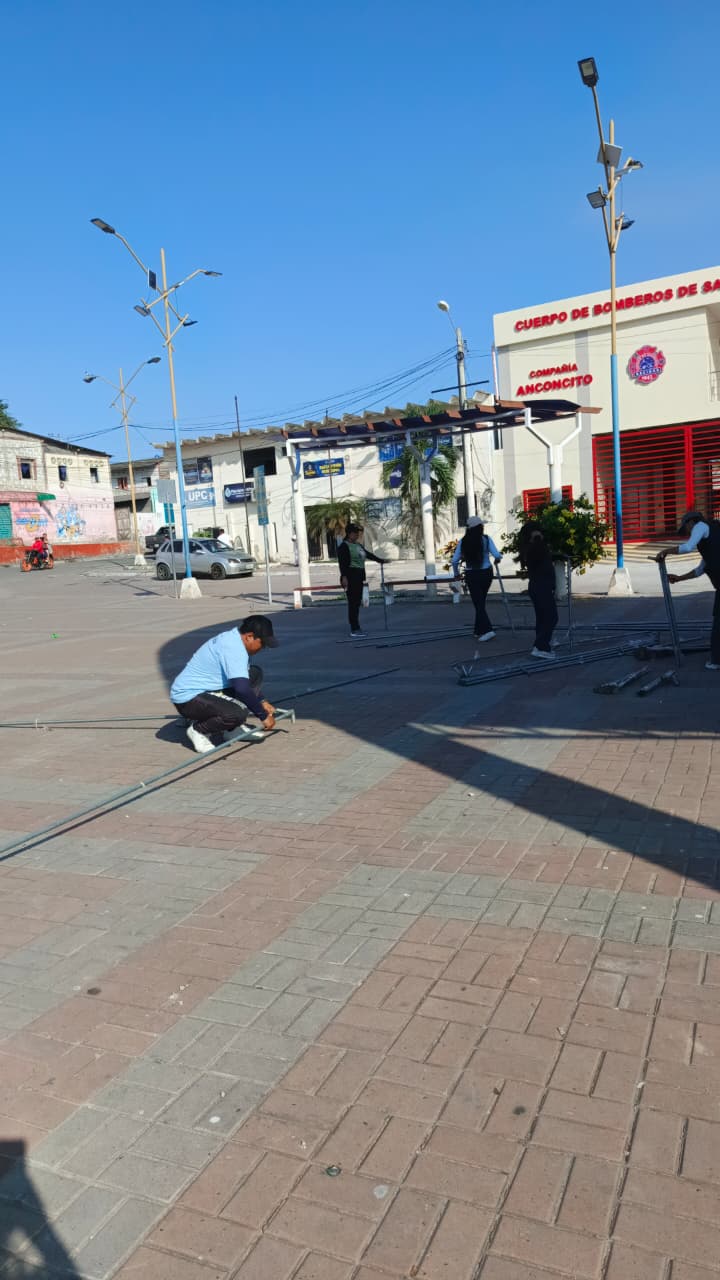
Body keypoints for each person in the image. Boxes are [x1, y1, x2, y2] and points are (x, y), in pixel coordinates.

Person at [170, 614, 279, 753]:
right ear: (249, 637)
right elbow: (242, 689)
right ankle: (198, 730)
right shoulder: (233, 648)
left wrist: (262, 701)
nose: (262, 648)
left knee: (254, 673)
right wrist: (263, 716)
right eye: (262, 644)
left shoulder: (235, 639)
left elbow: (245, 681)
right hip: (188, 698)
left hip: (209, 690)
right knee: (238, 713)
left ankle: (232, 730)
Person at [657, 509, 720, 672]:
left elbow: (687, 547)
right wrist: (679, 578)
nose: (688, 533)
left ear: (691, 522)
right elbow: (700, 570)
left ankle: (716, 661)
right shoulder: (710, 544)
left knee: (718, 625)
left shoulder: (701, 526)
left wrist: (666, 551)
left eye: (686, 529)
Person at [451, 516, 503, 641]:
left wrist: (456, 573)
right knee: (480, 602)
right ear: (479, 527)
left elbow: (454, 560)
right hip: (486, 573)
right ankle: (478, 630)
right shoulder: (486, 539)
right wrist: (497, 559)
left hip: (472, 574)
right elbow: (497, 554)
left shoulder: (463, 541)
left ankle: (488, 630)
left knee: (478, 603)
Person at [517, 521, 558, 659]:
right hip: (541, 586)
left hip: (538, 586)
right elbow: (541, 555)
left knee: (542, 618)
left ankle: (540, 644)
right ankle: (541, 646)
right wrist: (537, 538)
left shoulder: (530, 547)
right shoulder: (535, 547)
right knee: (551, 617)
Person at [337, 523, 385, 638]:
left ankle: (356, 626)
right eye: (355, 533)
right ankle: (354, 629)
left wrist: (380, 560)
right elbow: (342, 564)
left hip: (359, 576)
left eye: (358, 533)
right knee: (353, 603)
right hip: (350, 577)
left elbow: (368, 554)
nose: (357, 535)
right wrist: (344, 577)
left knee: (357, 603)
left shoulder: (358, 545)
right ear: (349, 534)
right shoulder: (344, 546)